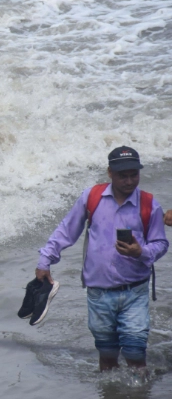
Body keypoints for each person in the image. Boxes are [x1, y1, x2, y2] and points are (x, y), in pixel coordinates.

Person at [35, 146, 168, 371]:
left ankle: (140, 392)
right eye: (122, 175)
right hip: (98, 293)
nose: (129, 181)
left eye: (133, 174)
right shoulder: (92, 198)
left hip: (134, 291)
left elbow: (161, 243)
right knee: (106, 354)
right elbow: (67, 230)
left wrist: (141, 252)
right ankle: (110, 391)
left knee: (136, 351)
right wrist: (45, 260)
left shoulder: (149, 204)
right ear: (109, 173)